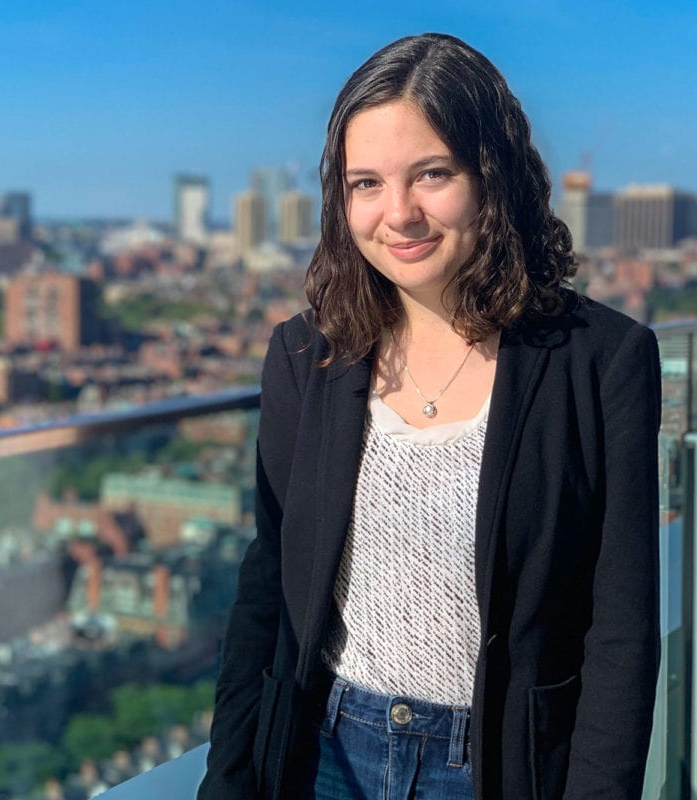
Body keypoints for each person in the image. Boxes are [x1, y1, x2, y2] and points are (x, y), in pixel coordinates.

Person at [198, 33, 661, 800]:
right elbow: (268, 584)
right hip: (322, 754)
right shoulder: (304, 356)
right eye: (366, 183)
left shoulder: (600, 362)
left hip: (497, 765)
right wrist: (229, 779)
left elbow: (621, 632)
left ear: (494, 175)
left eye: (432, 175)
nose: (399, 213)